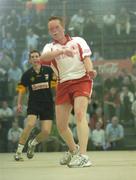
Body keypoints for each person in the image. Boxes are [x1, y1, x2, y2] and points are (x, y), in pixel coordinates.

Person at [38, 16, 97, 168]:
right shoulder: (49, 47)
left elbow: (86, 58)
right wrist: (62, 50)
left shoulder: (78, 41)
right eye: (51, 29)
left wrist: (90, 71)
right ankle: (74, 149)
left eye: (57, 27)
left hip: (82, 80)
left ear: (63, 27)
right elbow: (43, 58)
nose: (54, 31)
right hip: (63, 83)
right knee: (61, 126)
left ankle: (84, 156)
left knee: (79, 114)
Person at [14, 50, 55, 161]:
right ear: (30, 60)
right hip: (34, 104)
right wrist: (19, 103)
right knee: (30, 125)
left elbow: (55, 86)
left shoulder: (49, 71)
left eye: (37, 56)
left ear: (40, 58)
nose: (35, 58)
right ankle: (18, 152)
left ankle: (32, 144)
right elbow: (21, 90)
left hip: (48, 104)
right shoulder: (27, 74)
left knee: (46, 132)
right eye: (32, 57)